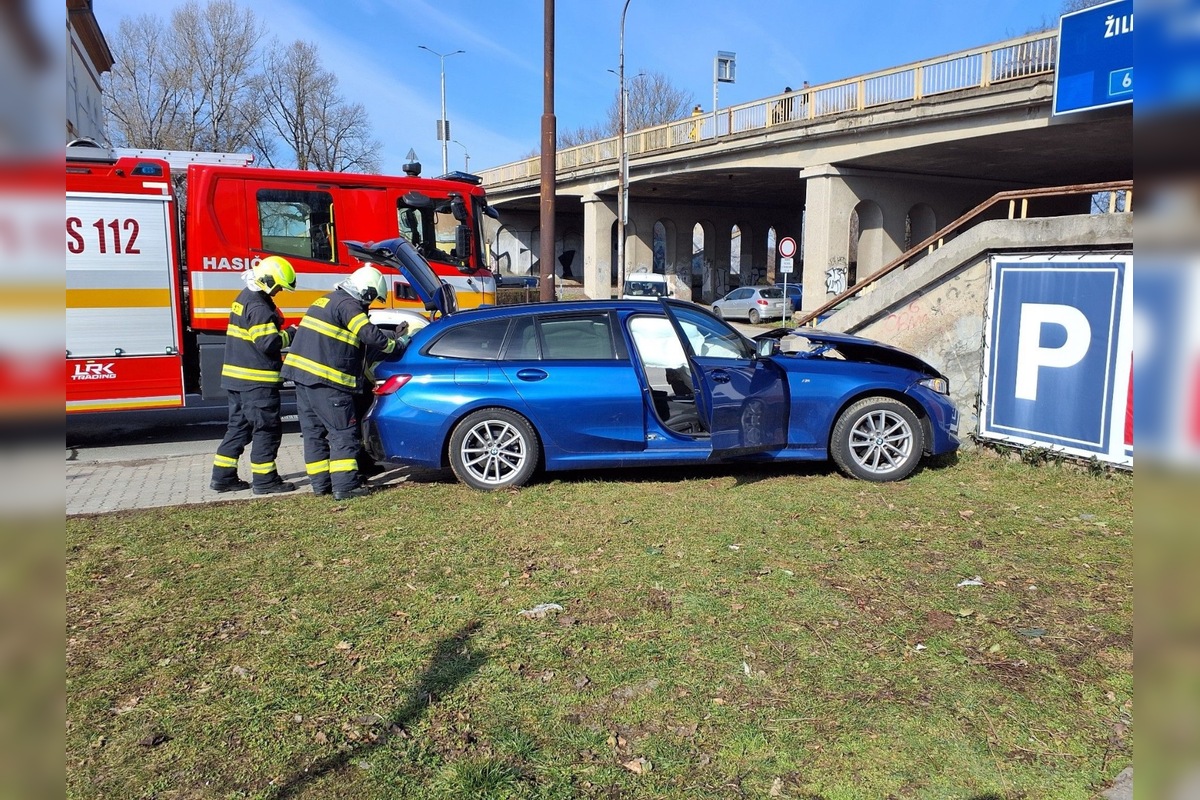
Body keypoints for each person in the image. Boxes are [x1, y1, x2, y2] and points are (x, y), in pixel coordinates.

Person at [281, 266, 404, 500]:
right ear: (366, 293)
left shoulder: (326, 301)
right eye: (372, 300)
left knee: (314, 433)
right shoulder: (350, 305)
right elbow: (368, 334)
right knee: (343, 433)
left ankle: (321, 484)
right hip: (328, 382)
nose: (370, 306)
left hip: (303, 379)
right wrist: (395, 344)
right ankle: (346, 486)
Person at [210, 255, 299, 495]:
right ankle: (265, 481)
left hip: (237, 379)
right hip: (256, 382)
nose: (279, 291)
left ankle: (223, 476)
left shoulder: (244, 296)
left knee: (238, 428)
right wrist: (291, 334)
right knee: (266, 429)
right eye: (279, 286)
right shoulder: (259, 306)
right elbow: (268, 343)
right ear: (268, 280)